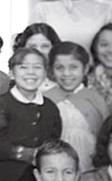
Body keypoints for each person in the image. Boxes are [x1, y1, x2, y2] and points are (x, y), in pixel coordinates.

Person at [0, 47, 62, 181]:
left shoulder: (50, 107)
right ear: (12, 73)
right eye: (23, 67)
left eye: (37, 67)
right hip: (7, 180)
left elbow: (54, 141)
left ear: (46, 73)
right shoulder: (2, 103)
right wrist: (27, 154)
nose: (30, 72)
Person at [44, 42, 108, 172]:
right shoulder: (46, 99)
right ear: (51, 70)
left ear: (85, 69)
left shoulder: (95, 99)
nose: (66, 73)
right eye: (59, 68)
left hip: (89, 165)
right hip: (54, 165)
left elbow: (105, 135)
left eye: (73, 67)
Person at [12, 23, 61, 93]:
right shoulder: (12, 81)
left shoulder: (65, 78)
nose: (39, 51)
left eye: (45, 46)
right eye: (33, 47)